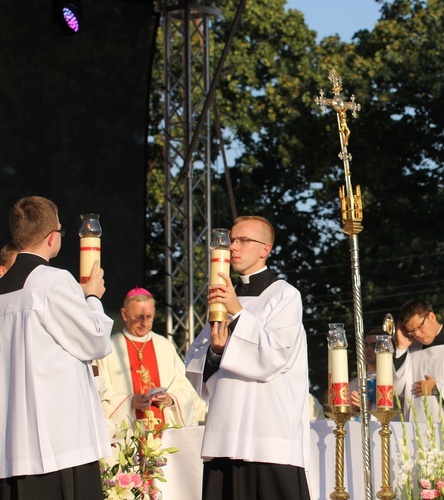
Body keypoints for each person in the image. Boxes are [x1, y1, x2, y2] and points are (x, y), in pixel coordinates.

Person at [185, 215, 311, 500]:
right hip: (224, 430)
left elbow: (275, 355)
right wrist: (216, 351)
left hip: (268, 434)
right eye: (231, 240)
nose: (233, 247)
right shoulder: (222, 299)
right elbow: (196, 360)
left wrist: (238, 312)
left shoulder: (284, 295)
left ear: (265, 249)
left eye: (243, 240)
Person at [0, 196, 113, 500]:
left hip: (11, 444)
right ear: (52, 238)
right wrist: (92, 298)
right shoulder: (53, 281)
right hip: (60, 443)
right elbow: (96, 341)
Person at [94, 287, 205, 429]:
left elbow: (187, 389)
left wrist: (171, 399)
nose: (145, 323)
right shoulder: (108, 349)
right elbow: (99, 394)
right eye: (139, 317)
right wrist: (129, 401)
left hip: (164, 434)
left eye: (149, 317)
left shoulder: (165, 346)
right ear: (124, 314)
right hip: (128, 435)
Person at [349, 328, 381, 412]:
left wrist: (368, 407)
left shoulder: (395, 380)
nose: (368, 349)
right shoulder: (354, 384)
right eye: (365, 345)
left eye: (374, 345)